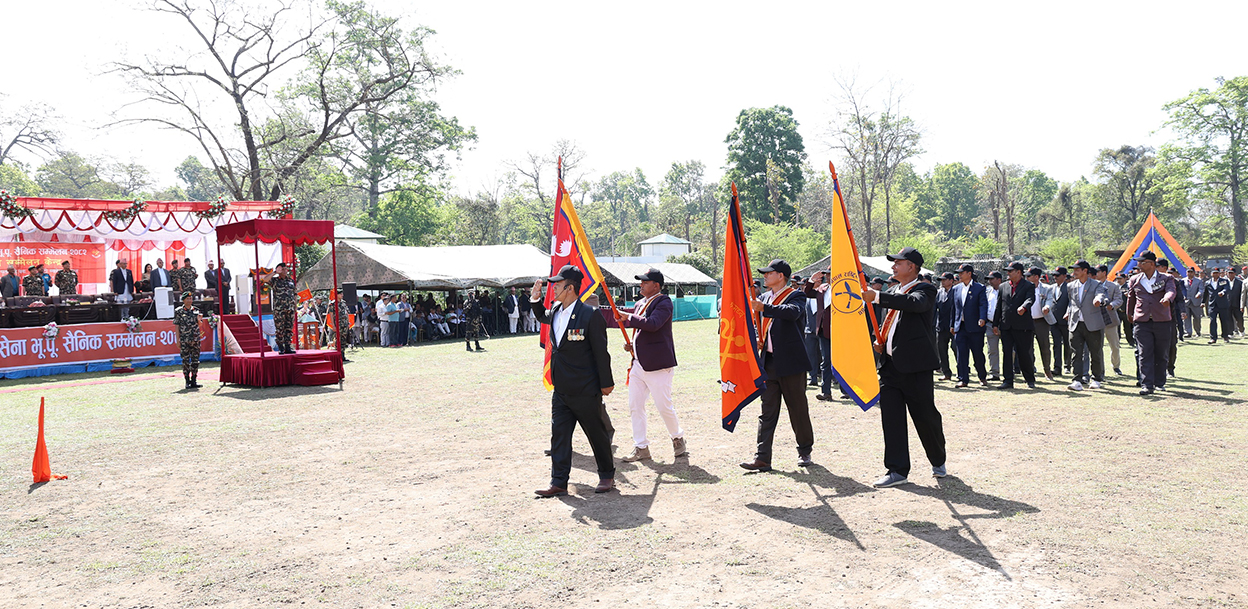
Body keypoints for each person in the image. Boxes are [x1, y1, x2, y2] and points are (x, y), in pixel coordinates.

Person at [861, 247, 947, 488]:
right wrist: (883, 342)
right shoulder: (893, 290)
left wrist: (877, 297)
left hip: (916, 367)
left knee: (925, 416)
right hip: (890, 367)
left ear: (912, 267)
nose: (893, 267)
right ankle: (897, 470)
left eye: (898, 263)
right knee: (892, 419)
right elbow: (895, 324)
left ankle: (938, 459)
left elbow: (914, 305)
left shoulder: (925, 289)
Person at [529, 265, 616, 497]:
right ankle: (558, 482)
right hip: (562, 389)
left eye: (557, 284)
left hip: (585, 389)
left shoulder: (590, 314)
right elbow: (541, 315)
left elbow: (601, 352)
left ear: (570, 288)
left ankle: (607, 475)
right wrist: (535, 300)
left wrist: (606, 383)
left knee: (596, 434)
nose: (553, 288)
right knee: (559, 436)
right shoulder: (556, 310)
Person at [739, 259, 814, 472]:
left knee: (797, 409)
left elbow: (792, 312)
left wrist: (765, 307)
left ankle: (804, 450)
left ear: (781, 275)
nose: (765, 276)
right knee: (767, 410)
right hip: (769, 361)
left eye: (768, 273)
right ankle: (762, 457)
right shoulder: (761, 297)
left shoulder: (796, 294)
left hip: (791, 362)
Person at [614, 268, 687, 462]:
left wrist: (628, 317)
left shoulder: (664, 302)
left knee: (664, 406)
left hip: (658, 364)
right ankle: (641, 446)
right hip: (638, 363)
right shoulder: (640, 304)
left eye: (645, 282)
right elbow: (641, 329)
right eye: (641, 282)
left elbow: (653, 324)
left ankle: (677, 437)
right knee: (635, 406)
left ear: (656, 285)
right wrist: (633, 344)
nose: (641, 285)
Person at [1125, 251, 1177, 395]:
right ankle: (1146, 384)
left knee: (1161, 353)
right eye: (1138, 262)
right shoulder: (1135, 279)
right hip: (1142, 321)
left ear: (1152, 264)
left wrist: (1167, 299)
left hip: (1162, 321)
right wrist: (1129, 313)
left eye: (1143, 262)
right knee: (1144, 352)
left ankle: (1159, 382)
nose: (1139, 264)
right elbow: (1131, 298)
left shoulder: (1167, 278)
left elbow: (1171, 291)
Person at [994, 262, 1037, 389]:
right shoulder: (1003, 286)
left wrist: (1024, 307)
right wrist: (996, 323)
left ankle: (1029, 379)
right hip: (1006, 325)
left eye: (1010, 271)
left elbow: (1030, 299)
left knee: (1024, 353)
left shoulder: (1028, 286)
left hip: (1022, 326)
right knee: (1007, 353)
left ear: (1018, 272)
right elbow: (999, 306)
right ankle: (1008, 380)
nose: (1008, 273)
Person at [1064, 260, 1107, 391]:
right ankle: (1077, 379)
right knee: (1076, 353)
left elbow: (1101, 294)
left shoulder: (1096, 284)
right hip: (1076, 323)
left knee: (1095, 352)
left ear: (1085, 271)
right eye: (1074, 269)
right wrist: (1068, 313)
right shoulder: (1070, 286)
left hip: (1093, 323)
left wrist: (1098, 299)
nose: (1074, 272)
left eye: (1077, 269)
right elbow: (1072, 302)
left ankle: (1096, 378)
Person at [951, 263, 989, 388]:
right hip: (960, 326)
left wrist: (982, 318)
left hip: (975, 327)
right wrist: (952, 324)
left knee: (977, 352)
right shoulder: (956, 289)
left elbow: (983, 304)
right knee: (961, 353)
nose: (959, 275)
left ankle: (982, 376)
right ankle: (963, 378)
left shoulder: (979, 288)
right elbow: (954, 308)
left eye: (962, 273)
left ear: (969, 274)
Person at [802, 271, 835, 400]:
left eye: (831, 274)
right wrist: (811, 280)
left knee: (840, 361)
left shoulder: (845, 288)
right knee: (825, 360)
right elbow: (807, 293)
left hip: (840, 331)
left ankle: (846, 391)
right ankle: (826, 391)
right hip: (823, 330)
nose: (828, 277)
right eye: (827, 274)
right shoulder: (823, 288)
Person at [1026, 268, 1057, 381]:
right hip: (1027, 322)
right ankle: (1030, 371)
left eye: (1029, 276)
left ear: (1036, 277)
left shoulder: (1046, 288)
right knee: (1028, 348)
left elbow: (1050, 300)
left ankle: (1047, 370)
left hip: (1041, 321)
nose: (1027, 278)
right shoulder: (1024, 287)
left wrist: (1047, 307)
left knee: (1045, 347)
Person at [1094, 265, 1125, 375]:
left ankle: (1116, 366)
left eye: (1097, 272)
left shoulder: (1113, 286)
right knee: (1097, 347)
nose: (1096, 274)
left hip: (1110, 319)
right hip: (1096, 320)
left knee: (1114, 345)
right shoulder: (1092, 285)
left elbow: (1119, 300)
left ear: (1104, 272)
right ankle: (1099, 369)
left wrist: (1112, 305)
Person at [263, 263, 297, 354]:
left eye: (286, 269)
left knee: (289, 328)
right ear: (279, 270)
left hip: (290, 308)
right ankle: (281, 347)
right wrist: (274, 272)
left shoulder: (291, 280)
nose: (286, 271)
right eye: (283, 269)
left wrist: (295, 306)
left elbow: (295, 294)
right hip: (279, 309)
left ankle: (288, 346)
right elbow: (264, 279)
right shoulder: (275, 280)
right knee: (280, 329)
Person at [173, 291, 202, 390]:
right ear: (184, 300)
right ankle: (187, 381)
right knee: (185, 361)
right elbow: (177, 326)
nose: (190, 300)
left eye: (191, 298)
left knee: (195, 361)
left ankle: (194, 380)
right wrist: (177, 339)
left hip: (195, 339)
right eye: (188, 299)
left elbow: (200, 324)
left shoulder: (196, 310)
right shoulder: (179, 311)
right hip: (184, 339)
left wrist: (199, 320)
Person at [801, 273, 823, 389]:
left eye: (818, 281)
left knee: (824, 356)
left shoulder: (823, 295)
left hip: (822, 330)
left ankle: (828, 378)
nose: (816, 283)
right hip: (809, 330)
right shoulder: (808, 297)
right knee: (811, 356)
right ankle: (813, 377)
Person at [934, 272, 957, 381]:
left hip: (954, 326)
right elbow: (935, 309)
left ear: (951, 281)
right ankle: (946, 372)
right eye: (941, 280)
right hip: (941, 326)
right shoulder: (939, 293)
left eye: (944, 280)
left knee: (956, 348)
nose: (942, 282)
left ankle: (962, 371)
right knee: (942, 350)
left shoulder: (957, 291)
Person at [984, 271, 1004, 381]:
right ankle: (994, 373)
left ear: (999, 280)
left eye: (992, 279)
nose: (990, 281)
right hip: (990, 324)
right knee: (992, 350)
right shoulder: (987, 291)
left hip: (1004, 324)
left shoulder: (1005, 290)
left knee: (1010, 350)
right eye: (989, 279)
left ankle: (1009, 371)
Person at [1205, 268, 1233, 344]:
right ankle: (1213, 338)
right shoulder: (1208, 282)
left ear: (1219, 274)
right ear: (1211, 274)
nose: (1215, 274)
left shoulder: (1223, 281)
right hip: (1212, 304)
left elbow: (1226, 288)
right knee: (1212, 321)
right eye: (1214, 273)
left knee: (1224, 321)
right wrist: (1203, 302)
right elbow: (1206, 293)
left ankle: (1225, 336)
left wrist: (1223, 292)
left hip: (1222, 304)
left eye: (1217, 273)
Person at [1184, 267, 1204, 338]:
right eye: (1188, 272)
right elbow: (1181, 290)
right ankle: (1188, 332)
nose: (1190, 273)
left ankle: (1198, 332)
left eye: (1191, 272)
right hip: (1186, 302)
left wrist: (1199, 294)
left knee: (1197, 318)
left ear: (1194, 273)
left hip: (1196, 302)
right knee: (1186, 318)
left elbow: (1201, 289)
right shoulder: (1183, 281)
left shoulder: (1199, 281)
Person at [1229, 267, 1245, 337]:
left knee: (1239, 319)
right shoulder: (1224, 282)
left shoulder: (1240, 282)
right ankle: (1231, 332)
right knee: (1229, 319)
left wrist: (1242, 304)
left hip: (1237, 304)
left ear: (1235, 274)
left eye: (1232, 273)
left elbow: (1242, 293)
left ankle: (1241, 330)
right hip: (1228, 304)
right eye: (1229, 273)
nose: (1230, 274)